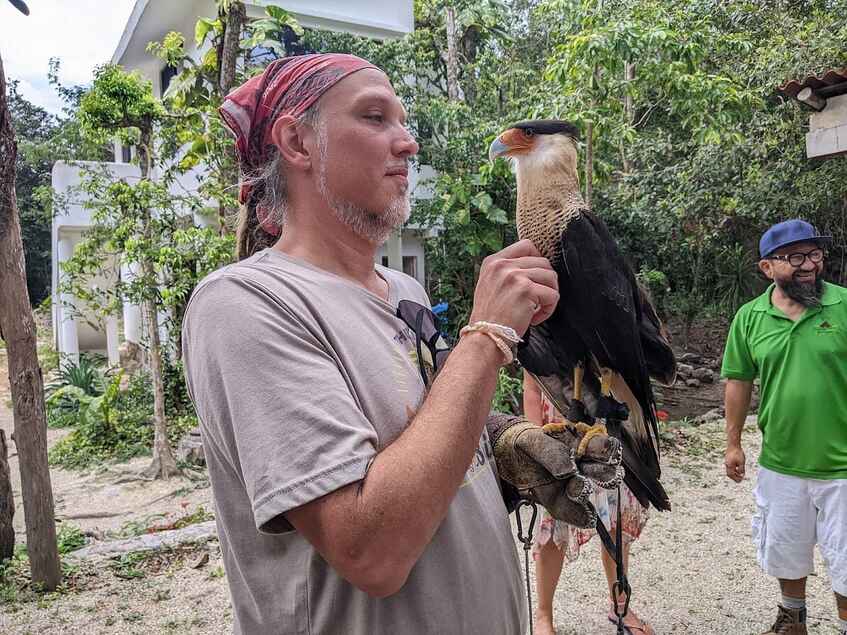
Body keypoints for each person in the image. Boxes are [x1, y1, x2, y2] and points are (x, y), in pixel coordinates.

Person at [181, 53, 568, 634]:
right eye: (374, 117)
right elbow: (371, 551)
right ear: (298, 141)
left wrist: (507, 446)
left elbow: (422, 429)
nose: (408, 143)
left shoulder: (404, 289)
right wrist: (487, 337)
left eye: (403, 122)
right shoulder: (245, 304)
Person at [721, 219, 847, 635]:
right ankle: (793, 620)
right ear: (767, 267)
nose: (809, 264)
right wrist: (733, 443)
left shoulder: (844, 305)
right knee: (786, 550)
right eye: (796, 257)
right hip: (781, 462)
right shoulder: (750, 318)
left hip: (843, 468)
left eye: (814, 254)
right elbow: (738, 381)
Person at [523, 372, 654, 635]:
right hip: (557, 431)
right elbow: (532, 387)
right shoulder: (542, 329)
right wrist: (535, 444)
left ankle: (620, 605)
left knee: (616, 523)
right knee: (554, 522)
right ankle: (543, 615)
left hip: (608, 428)